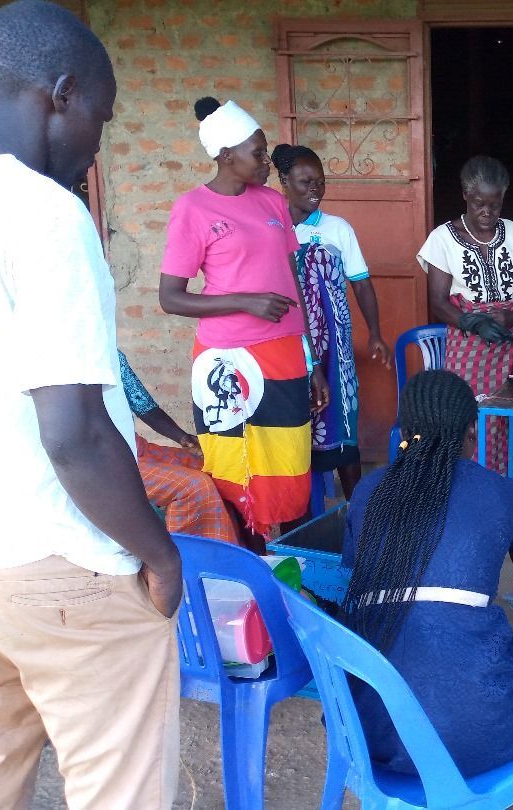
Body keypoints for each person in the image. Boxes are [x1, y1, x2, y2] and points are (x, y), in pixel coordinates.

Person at [0, 2, 180, 807]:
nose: (98, 143)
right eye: (101, 117)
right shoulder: (45, 214)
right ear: (60, 95)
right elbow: (73, 434)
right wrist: (159, 554)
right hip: (67, 566)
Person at [341, 370, 513, 810]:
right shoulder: (501, 493)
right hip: (469, 730)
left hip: (370, 726)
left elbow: (357, 576)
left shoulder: (369, 491)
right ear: (471, 429)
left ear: (405, 431)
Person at [159, 96, 329, 551]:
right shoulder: (192, 209)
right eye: (257, 152)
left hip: (284, 354)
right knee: (235, 466)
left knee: (288, 463)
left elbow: (292, 282)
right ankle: (246, 562)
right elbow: (170, 297)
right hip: (227, 363)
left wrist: (311, 360)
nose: (264, 159)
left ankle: (287, 560)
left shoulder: (271, 201)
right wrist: (244, 302)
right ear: (224, 156)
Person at [418, 155, 513, 516]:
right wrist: (473, 322)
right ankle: (472, 509)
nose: (487, 211)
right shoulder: (443, 239)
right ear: (465, 196)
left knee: (512, 420)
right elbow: (438, 301)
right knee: (472, 423)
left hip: (512, 343)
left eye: (495, 204)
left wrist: (510, 316)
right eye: (479, 203)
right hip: (467, 346)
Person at [271, 143, 391, 502]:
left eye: (320, 182)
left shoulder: (337, 229)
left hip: (334, 348)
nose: (315, 190)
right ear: (283, 181)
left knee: (341, 417)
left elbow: (361, 283)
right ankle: (302, 515)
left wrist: (376, 334)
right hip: (288, 343)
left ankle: (355, 510)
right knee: (295, 424)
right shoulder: (272, 228)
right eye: (305, 182)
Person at [119, 350, 240, 544]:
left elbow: (143, 405)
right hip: (108, 460)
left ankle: (237, 555)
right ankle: (187, 561)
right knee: (193, 485)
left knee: (216, 470)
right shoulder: (70, 369)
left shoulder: (112, 356)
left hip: (136, 448)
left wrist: (183, 438)